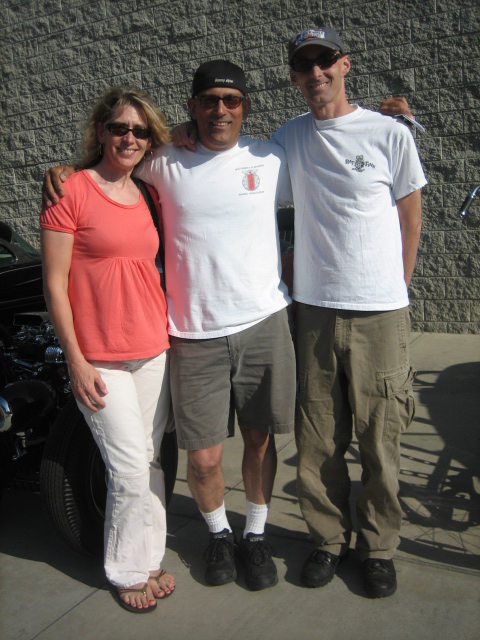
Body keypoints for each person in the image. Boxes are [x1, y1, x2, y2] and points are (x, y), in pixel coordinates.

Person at [43, 61, 297, 592]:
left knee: (257, 441)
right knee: (199, 458)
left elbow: (334, 180)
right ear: (192, 107)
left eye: (231, 100)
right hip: (191, 333)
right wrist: (65, 171)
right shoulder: (161, 163)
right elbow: (105, 173)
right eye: (209, 100)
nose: (221, 109)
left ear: (245, 106)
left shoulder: (271, 158)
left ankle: (253, 534)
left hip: (257, 324)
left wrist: (391, 123)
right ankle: (217, 534)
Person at [271, 26, 427, 598]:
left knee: (381, 437)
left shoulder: (390, 133)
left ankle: (379, 547)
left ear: (345, 65)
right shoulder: (289, 138)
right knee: (318, 437)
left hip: (379, 313)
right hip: (314, 310)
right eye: (304, 65)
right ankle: (328, 539)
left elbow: (411, 217)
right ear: (294, 76)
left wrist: (395, 289)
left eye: (325, 61)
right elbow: (233, 166)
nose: (316, 73)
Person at [40, 86, 175, 613]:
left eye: (140, 131)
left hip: (153, 348)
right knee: (129, 467)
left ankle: (151, 559)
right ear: (101, 131)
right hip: (99, 357)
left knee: (152, 461)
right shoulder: (70, 190)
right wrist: (75, 360)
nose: (129, 138)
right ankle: (124, 570)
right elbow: (55, 285)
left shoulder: (148, 194)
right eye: (119, 127)